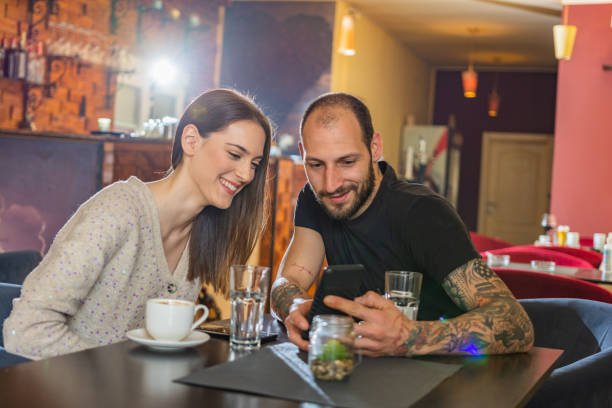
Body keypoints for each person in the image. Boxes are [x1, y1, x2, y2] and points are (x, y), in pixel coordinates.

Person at [3, 89, 272, 359]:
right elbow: (26, 330)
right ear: (191, 141)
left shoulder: (199, 233)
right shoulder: (117, 211)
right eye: (235, 154)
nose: (246, 175)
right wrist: (115, 376)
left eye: (255, 164)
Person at [270, 92, 533, 357]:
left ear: (375, 147)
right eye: (316, 164)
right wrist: (294, 305)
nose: (331, 184)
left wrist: (408, 336)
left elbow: (516, 323)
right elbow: (288, 280)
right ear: (303, 154)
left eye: (347, 162)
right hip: (368, 368)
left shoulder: (423, 212)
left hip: (448, 371)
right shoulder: (315, 199)